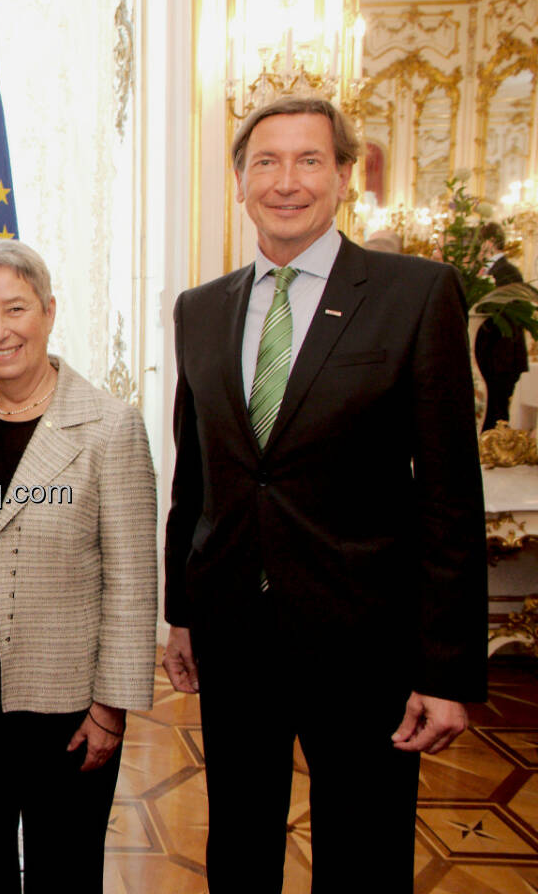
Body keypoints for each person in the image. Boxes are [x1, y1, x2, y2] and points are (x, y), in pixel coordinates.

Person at [164, 96, 487, 892]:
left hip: (364, 641)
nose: (286, 181)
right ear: (239, 182)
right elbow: (196, 473)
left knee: (364, 853)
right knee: (238, 842)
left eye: (309, 160)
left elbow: (451, 493)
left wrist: (448, 670)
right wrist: (181, 612)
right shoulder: (201, 309)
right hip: (235, 630)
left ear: (345, 176)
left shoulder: (416, 294)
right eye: (265, 162)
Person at [0, 238, 157, 892]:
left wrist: (112, 707)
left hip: (67, 707)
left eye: (14, 309)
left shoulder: (109, 426)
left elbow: (132, 581)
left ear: (47, 311)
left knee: (63, 871)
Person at [475, 229, 530, 430]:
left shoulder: (507, 271)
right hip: (486, 354)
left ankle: (494, 448)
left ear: (489, 242)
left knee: (497, 411)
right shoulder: (484, 270)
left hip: (500, 353)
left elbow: (506, 314)